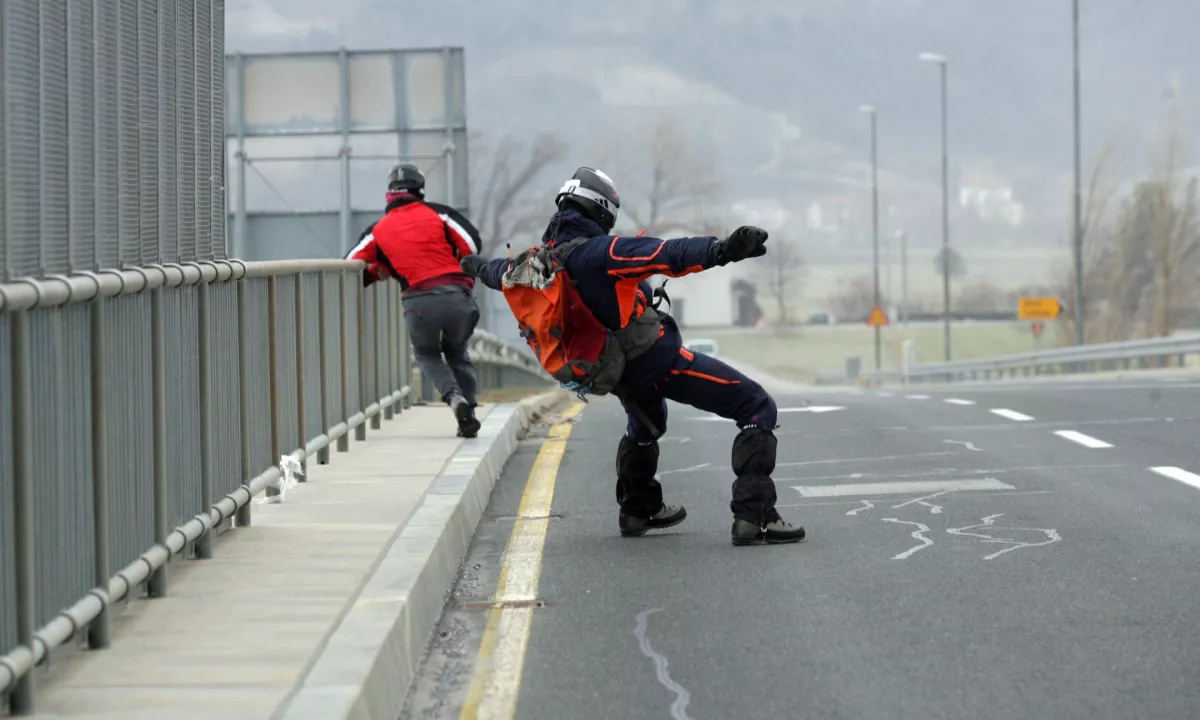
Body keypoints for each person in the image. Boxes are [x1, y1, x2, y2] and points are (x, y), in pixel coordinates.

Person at [459, 167, 806, 546]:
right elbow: (665, 254)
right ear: (603, 209)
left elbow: (497, 272)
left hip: (612, 370)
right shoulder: (601, 252)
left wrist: (476, 266)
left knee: (645, 426)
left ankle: (638, 509)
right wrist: (722, 250)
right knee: (756, 405)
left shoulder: (536, 263)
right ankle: (755, 517)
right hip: (656, 361)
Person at [347, 163, 484, 438]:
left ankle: (453, 398)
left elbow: (351, 265)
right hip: (458, 296)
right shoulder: (441, 214)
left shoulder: (377, 230)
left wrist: (378, 271)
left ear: (390, 193)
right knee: (457, 351)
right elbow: (471, 245)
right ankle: (468, 410)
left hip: (418, 303)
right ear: (419, 190)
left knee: (427, 354)